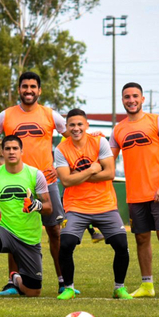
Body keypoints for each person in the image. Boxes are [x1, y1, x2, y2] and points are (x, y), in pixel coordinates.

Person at [0, 71, 67, 295]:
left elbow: (73, 138)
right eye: (24, 86)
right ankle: (12, 283)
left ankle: (64, 281)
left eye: (33, 87)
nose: (29, 90)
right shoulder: (6, 115)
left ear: (39, 90)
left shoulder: (50, 115)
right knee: (12, 228)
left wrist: (59, 164)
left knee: (54, 231)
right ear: (19, 90)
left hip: (45, 181)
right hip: (14, 183)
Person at [55, 109, 131, 300]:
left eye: (80, 124)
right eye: (71, 125)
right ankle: (69, 288)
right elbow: (65, 181)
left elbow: (109, 173)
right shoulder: (61, 149)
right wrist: (92, 169)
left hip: (105, 204)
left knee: (121, 244)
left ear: (86, 125)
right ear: (66, 127)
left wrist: (77, 175)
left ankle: (119, 288)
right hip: (76, 206)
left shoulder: (99, 141)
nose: (76, 128)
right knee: (66, 244)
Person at [0, 135, 51, 300]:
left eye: (15, 148)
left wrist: (36, 205)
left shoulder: (35, 175)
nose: (11, 152)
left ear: (22, 151)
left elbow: (49, 207)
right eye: (7, 148)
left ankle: (16, 278)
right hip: (4, 231)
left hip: (28, 236)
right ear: (2, 152)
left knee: (33, 292)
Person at [110, 82, 159, 298]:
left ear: (143, 99)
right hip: (135, 194)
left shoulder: (155, 121)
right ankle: (147, 285)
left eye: (135, 96)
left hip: (157, 191)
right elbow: (107, 160)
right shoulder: (118, 129)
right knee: (141, 238)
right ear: (122, 100)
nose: (131, 100)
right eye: (127, 97)